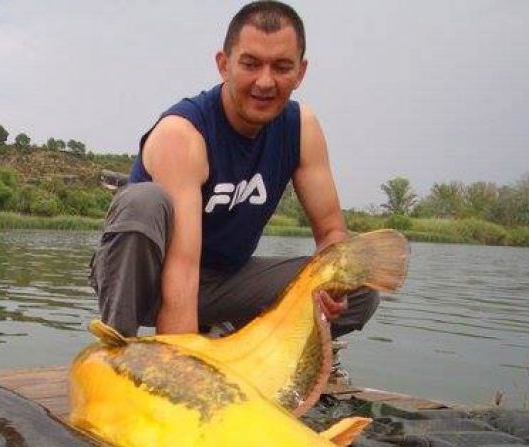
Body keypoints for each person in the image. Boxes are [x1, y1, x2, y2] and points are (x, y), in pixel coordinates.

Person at [89, 1, 376, 346]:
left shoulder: (302, 128)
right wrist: (180, 373)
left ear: (300, 72)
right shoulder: (181, 134)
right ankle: (117, 351)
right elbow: (181, 269)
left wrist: (334, 283)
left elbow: (331, 231)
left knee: (359, 289)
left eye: (282, 67)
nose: (265, 82)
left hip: (224, 281)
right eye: (251, 64)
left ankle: (234, 344)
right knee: (142, 200)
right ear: (224, 65)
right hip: (147, 284)